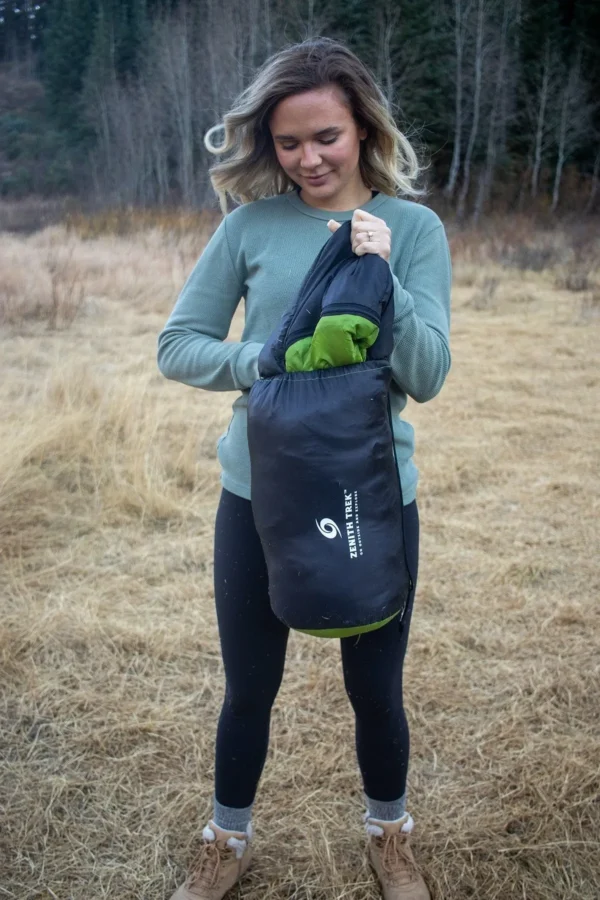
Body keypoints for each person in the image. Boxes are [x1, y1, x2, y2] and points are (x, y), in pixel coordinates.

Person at [157, 36, 452, 900]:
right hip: (258, 495)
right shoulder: (248, 226)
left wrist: (383, 272)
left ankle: (388, 835)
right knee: (249, 686)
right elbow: (179, 346)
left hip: (372, 497)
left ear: (362, 128)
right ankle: (225, 841)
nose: (308, 158)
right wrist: (265, 362)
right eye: (288, 142)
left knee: (375, 687)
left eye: (325, 136)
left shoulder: (414, 228)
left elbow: (427, 376)